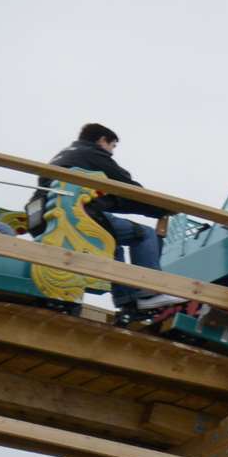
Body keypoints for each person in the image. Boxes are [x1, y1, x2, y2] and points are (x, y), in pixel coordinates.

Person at [41, 123, 177, 315]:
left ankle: (127, 300)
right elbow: (126, 188)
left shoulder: (64, 156)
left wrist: (150, 210)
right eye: (112, 146)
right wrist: (162, 208)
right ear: (102, 140)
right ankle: (147, 294)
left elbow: (112, 200)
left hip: (49, 215)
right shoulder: (94, 155)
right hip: (80, 215)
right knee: (144, 234)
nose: (112, 152)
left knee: (113, 242)